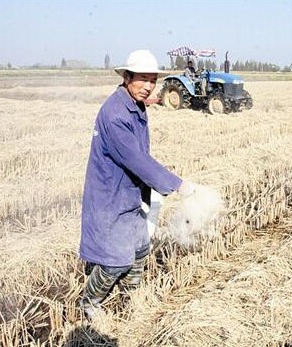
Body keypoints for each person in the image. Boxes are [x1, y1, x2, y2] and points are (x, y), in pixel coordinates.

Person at [79, 49, 195, 321]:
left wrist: (148, 100)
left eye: (153, 80)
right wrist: (178, 185)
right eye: (142, 79)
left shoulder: (132, 103)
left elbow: (137, 156)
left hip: (129, 190)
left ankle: (132, 294)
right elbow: (137, 160)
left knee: (141, 247)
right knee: (115, 258)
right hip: (111, 192)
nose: (148, 86)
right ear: (127, 77)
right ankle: (88, 301)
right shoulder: (115, 115)